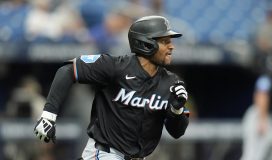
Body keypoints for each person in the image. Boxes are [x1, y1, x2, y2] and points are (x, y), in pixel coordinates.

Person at [33, 15, 190, 160]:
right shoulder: (116, 67)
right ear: (146, 43)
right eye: (165, 41)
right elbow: (67, 71)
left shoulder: (172, 83)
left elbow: (177, 132)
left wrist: (176, 110)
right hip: (105, 153)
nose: (171, 47)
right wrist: (48, 116)